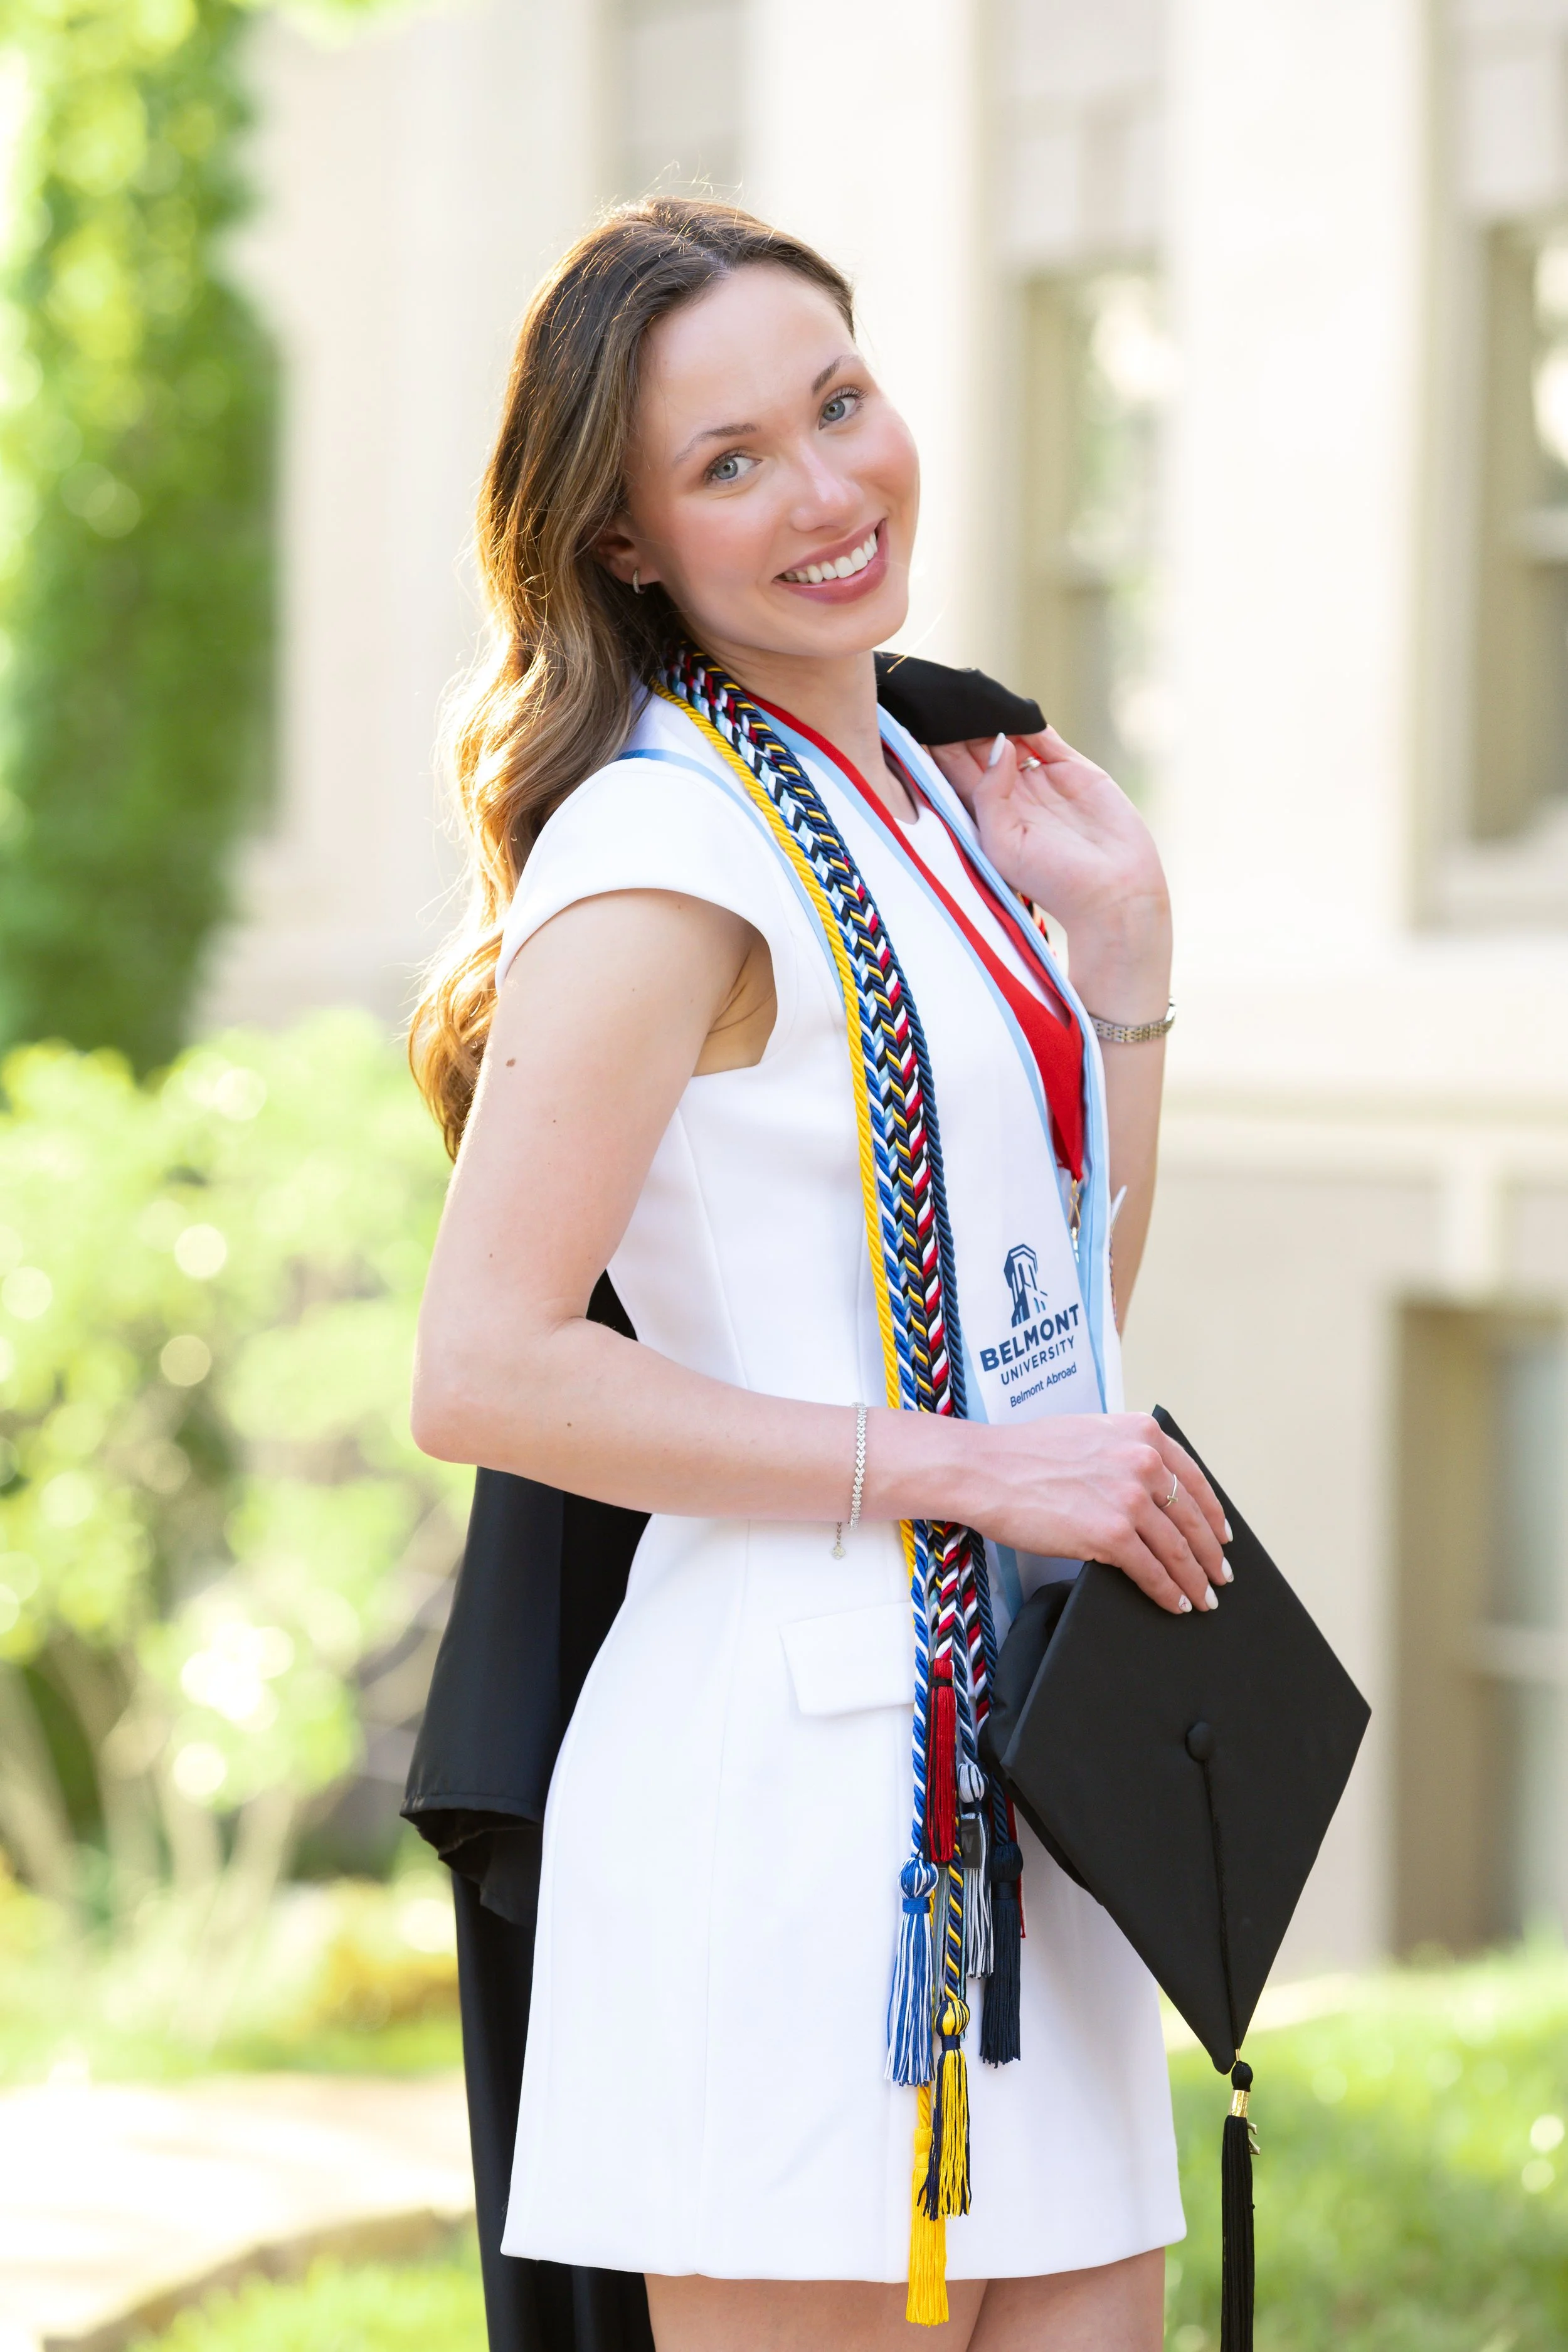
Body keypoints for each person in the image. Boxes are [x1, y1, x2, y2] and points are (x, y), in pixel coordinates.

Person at [409, 195, 1228, 2352]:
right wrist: (965, 1467)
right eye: (730, 462)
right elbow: (481, 1366)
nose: (827, 490)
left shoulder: (936, 804)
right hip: (787, 1827)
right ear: (625, 544)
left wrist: (1123, 966)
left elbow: (1056, 1306)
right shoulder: (662, 852)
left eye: (837, 403)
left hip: (1028, 1795)